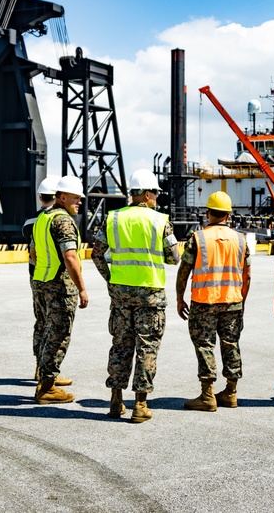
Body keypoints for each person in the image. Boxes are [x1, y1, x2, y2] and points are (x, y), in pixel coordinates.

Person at [92, 169, 178, 423]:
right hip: (150, 294)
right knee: (147, 347)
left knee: (120, 345)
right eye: (156, 194)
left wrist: (111, 279)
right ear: (148, 194)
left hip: (120, 294)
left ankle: (116, 401)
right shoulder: (160, 220)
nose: (158, 199)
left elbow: (96, 254)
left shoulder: (113, 219)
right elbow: (174, 257)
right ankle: (140, 405)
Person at [175, 191, 251, 412]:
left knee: (204, 345)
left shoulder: (198, 238)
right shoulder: (241, 239)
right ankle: (231, 392)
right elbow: (247, 275)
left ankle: (208, 395)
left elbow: (184, 270)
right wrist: (242, 302)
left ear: (207, 213)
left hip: (204, 302)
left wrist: (180, 298)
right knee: (231, 344)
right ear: (228, 215)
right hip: (232, 302)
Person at [31, 175, 90, 404]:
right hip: (59, 286)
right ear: (62, 197)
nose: (79, 202)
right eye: (76, 198)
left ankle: (45, 376)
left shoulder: (43, 218)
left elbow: (34, 253)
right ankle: (47, 388)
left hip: (41, 282)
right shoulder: (64, 221)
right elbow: (70, 256)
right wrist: (82, 288)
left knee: (46, 331)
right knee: (58, 335)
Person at [23, 175, 71, 386]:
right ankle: (48, 373)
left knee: (41, 323)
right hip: (54, 280)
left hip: (36, 277)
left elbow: (32, 252)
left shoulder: (31, 221)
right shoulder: (56, 219)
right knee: (56, 327)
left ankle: (39, 368)